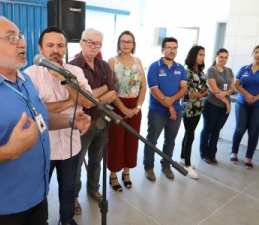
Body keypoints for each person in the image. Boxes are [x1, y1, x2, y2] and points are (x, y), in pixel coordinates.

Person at [0, 16, 90, 225]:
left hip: (36, 197)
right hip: (1, 209)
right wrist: (8, 151)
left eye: (20, 36)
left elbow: (40, 119)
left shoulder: (23, 79)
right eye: (11, 38)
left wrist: (70, 121)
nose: (22, 43)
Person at [24, 26, 93, 225]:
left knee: (69, 187)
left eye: (60, 45)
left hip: (72, 144)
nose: (56, 50)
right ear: (40, 48)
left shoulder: (74, 71)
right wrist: (73, 100)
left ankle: (67, 219)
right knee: (40, 190)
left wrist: (65, 81)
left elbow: (88, 102)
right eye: (50, 45)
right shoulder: (29, 75)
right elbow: (36, 111)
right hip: (44, 147)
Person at [69, 28, 116, 214]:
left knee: (97, 159)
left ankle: (93, 189)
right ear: (81, 43)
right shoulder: (72, 67)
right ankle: (73, 197)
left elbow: (113, 92)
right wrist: (103, 90)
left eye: (97, 43)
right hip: (82, 124)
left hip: (102, 121)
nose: (93, 46)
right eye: (89, 42)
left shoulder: (104, 66)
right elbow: (80, 99)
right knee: (77, 163)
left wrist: (94, 98)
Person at [106, 30, 146, 191]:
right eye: (123, 41)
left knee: (131, 141)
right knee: (116, 142)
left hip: (135, 107)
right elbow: (111, 88)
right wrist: (123, 108)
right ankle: (113, 174)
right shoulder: (112, 61)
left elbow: (143, 87)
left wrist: (137, 107)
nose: (126, 44)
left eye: (129, 41)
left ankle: (127, 173)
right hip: (117, 105)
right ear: (119, 44)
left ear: (134, 44)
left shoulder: (138, 61)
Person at [143, 37, 187, 181]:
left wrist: (172, 104)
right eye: (169, 47)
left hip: (175, 111)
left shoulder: (180, 68)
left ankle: (166, 165)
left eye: (175, 48)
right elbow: (154, 90)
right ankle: (149, 167)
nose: (172, 50)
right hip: (157, 111)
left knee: (170, 140)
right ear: (162, 49)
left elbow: (183, 89)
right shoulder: (154, 66)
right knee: (152, 140)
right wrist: (170, 107)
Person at [199, 48, 234, 165]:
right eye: (221, 57)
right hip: (212, 105)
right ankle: (204, 154)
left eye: (225, 57)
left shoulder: (229, 71)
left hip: (223, 107)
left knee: (216, 130)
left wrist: (225, 93)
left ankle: (212, 154)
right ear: (216, 57)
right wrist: (227, 102)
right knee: (207, 129)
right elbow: (214, 91)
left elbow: (232, 88)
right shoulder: (211, 71)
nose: (223, 59)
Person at [180, 45, 208, 179]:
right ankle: (187, 164)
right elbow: (188, 92)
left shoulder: (201, 72)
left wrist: (201, 94)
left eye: (203, 55)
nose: (202, 57)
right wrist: (199, 93)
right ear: (193, 55)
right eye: (200, 55)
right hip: (188, 106)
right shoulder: (187, 72)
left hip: (198, 106)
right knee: (190, 135)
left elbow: (205, 90)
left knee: (189, 133)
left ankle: (182, 157)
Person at [230, 45, 259, 169]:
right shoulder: (244, 69)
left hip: (257, 105)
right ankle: (234, 152)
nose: (258, 54)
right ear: (252, 54)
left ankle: (249, 157)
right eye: (256, 52)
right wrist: (247, 94)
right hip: (242, 103)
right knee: (240, 129)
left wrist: (255, 97)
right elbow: (237, 84)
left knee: (253, 132)